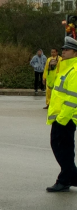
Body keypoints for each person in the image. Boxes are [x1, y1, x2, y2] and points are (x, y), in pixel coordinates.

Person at [45, 36, 77, 192]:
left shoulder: (75, 70)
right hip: (60, 118)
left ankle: (65, 180)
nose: (63, 52)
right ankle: (72, 177)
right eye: (63, 49)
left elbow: (73, 98)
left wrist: (62, 119)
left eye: (67, 50)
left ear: (75, 53)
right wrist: (51, 70)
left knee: (64, 150)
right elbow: (52, 86)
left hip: (66, 118)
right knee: (62, 149)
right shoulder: (64, 67)